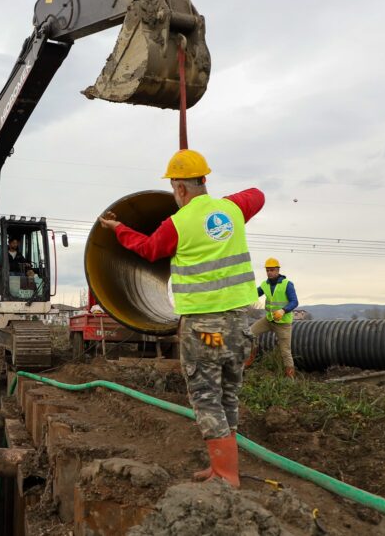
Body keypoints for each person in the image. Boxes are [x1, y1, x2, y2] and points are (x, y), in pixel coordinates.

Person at [98, 149, 264, 488]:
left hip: (204, 327)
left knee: (205, 396)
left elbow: (148, 249)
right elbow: (257, 195)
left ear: (180, 188)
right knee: (228, 394)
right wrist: (224, 203)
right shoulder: (232, 209)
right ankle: (220, 467)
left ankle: (226, 474)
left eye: (175, 188)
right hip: (239, 323)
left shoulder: (177, 224)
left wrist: (118, 228)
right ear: (204, 180)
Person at [244, 258, 299, 378]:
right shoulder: (265, 284)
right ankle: (249, 359)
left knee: (285, 351)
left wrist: (283, 310)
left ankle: (290, 378)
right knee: (249, 333)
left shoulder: (287, 284)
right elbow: (254, 294)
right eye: (267, 270)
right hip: (269, 320)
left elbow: (294, 302)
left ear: (278, 270)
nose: (269, 272)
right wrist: (243, 293)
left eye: (272, 270)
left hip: (283, 323)